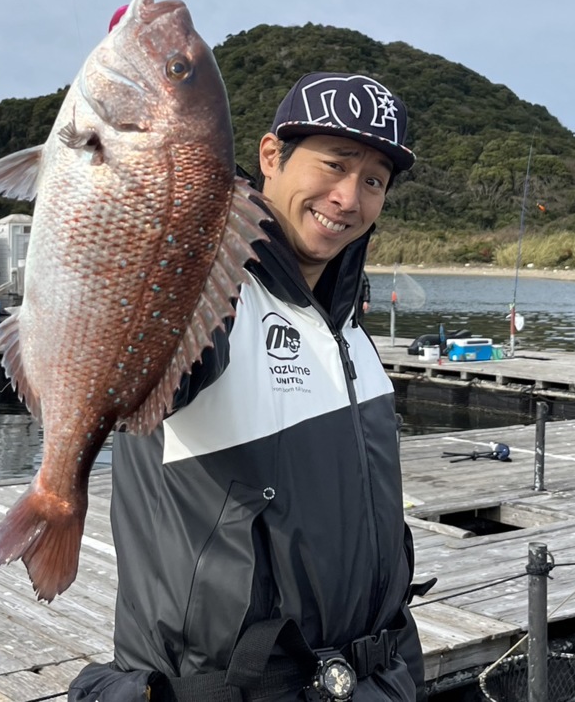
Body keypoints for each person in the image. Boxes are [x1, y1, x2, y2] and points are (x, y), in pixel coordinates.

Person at [69, 71, 426, 702]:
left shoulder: (347, 328)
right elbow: (129, 359)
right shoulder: (208, 299)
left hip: (372, 679)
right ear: (270, 156)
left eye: (373, 180)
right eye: (334, 164)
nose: (348, 197)